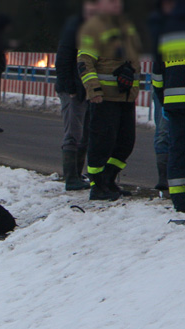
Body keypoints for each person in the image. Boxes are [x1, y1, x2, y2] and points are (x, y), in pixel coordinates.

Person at [77, 0, 141, 201]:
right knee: (101, 142)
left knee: (125, 143)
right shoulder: (94, 28)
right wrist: (93, 90)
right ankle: (97, 185)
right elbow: (85, 61)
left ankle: (108, 179)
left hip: (126, 97)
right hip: (103, 98)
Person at [55, 1, 96, 191]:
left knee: (84, 133)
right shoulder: (74, 27)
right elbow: (63, 59)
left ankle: (77, 175)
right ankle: (71, 178)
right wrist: (70, 87)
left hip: (84, 89)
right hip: (73, 90)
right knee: (73, 133)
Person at [154, 0, 185, 212]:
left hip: (174, 104)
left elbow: (157, 77)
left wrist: (163, 100)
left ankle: (179, 200)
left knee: (177, 150)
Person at [149, 0, 174, 190]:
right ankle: (163, 178)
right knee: (164, 132)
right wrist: (160, 93)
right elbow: (158, 67)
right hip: (165, 90)